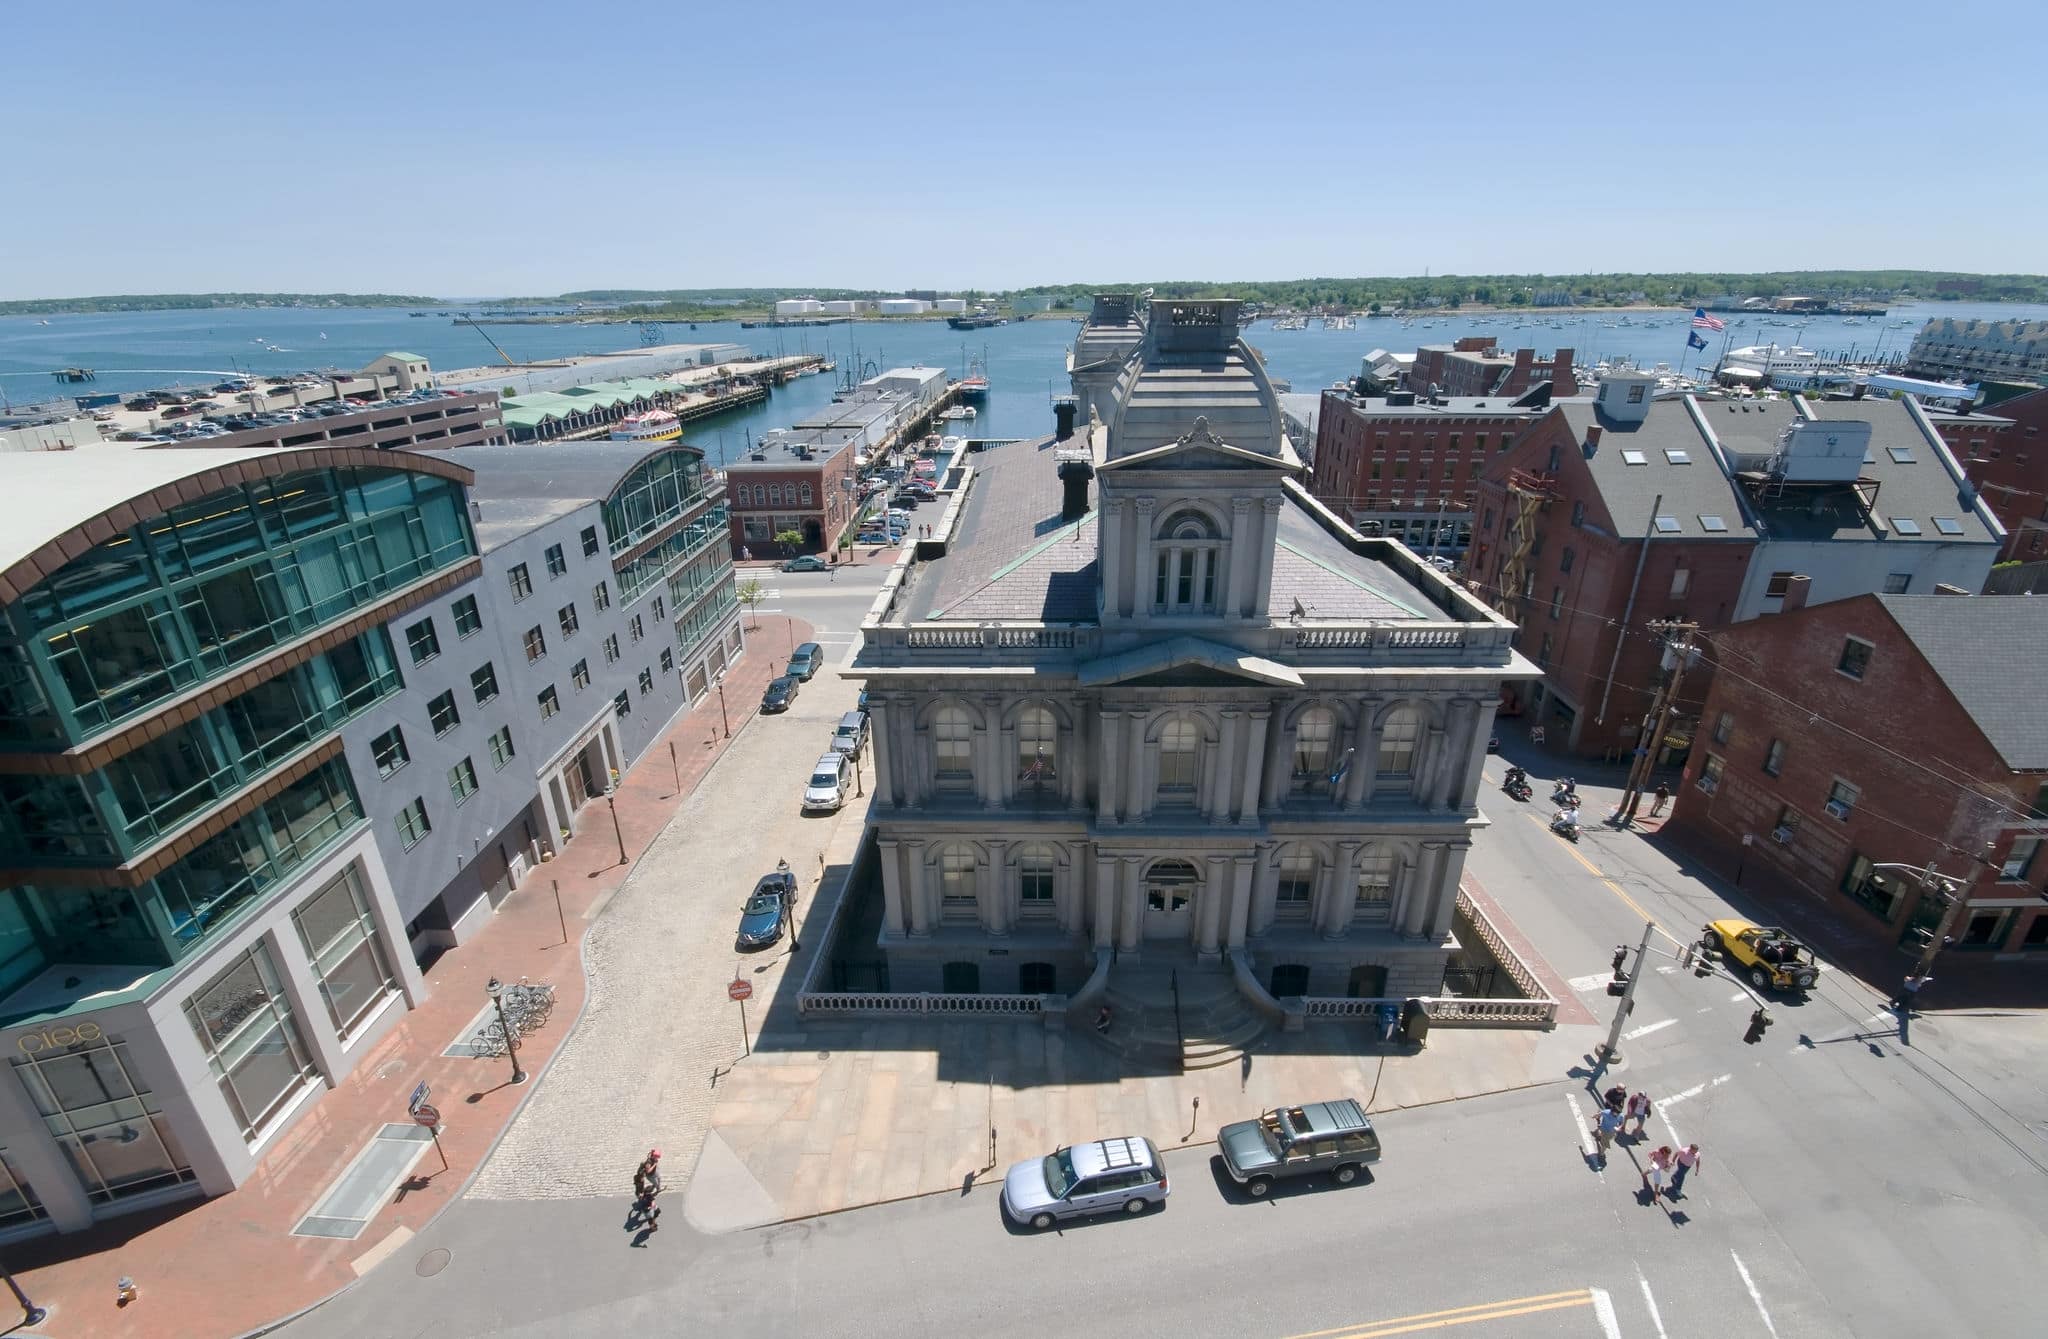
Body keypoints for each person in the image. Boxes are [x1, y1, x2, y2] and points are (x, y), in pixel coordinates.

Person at [634, 1150, 663, 1228]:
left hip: (647, 1206)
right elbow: (651, 1201)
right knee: (650, 1217)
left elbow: (652, 1201)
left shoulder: (647, 1195)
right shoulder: (648, 1195)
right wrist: (651, 1205)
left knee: (655, 1212)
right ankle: (652, 1226)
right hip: (647, 1209)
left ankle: (652, 1222)